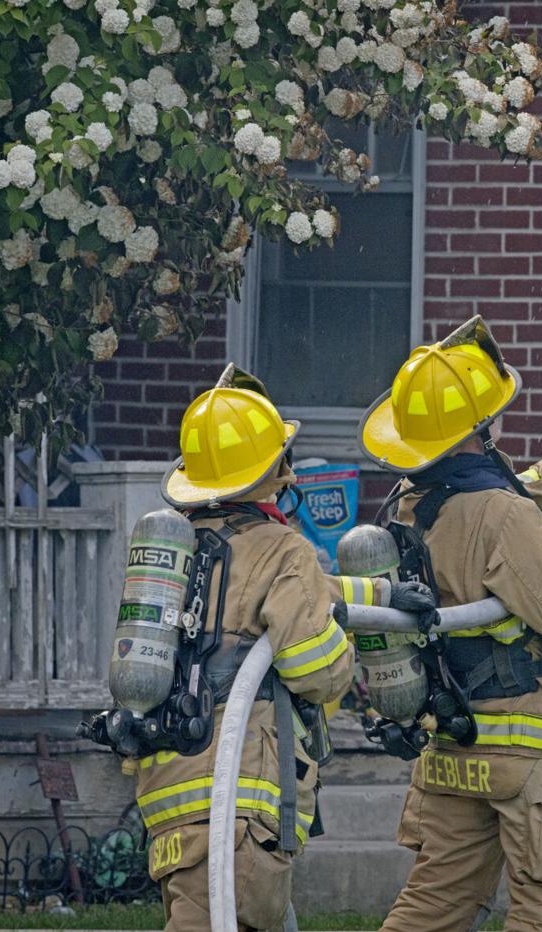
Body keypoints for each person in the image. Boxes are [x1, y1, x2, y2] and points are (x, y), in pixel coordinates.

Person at [362, 316, 542, 932]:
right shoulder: (499, 513)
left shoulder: (419, 501)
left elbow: (530, 491)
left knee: (434, 908)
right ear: (479, 429)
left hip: (459, 748)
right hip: (533, 753)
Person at [138, 371, 433, 931]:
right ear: (273, 469)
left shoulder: (181, 548)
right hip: (239, 801)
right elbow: (317, 671)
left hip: (172, 795)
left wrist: (383, 594)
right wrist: (343, 643)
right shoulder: (281, 548)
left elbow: (289, 599)